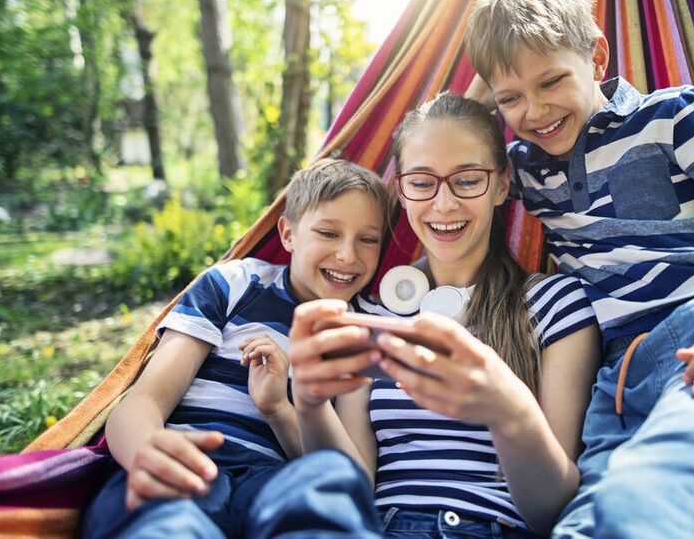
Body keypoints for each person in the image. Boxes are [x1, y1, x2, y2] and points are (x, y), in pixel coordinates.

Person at [460, 0, 694, 538]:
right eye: (512, 98)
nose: (534, 110)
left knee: (646, 511)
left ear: (597, 58)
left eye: (552, 81)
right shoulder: (524, 168)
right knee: (579, 526)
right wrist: (491, 70)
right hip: (615, 382)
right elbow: (452, 133)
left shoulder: (675, 118)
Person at [249, 93, 600, 538]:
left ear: (501, 184)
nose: (444, 203)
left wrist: (509, 411)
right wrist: (312, 406)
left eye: (468, 179)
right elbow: (354, 489)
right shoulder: (370, 314)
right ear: (402, 189)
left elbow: (555, 510)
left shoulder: (555, 305)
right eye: (422, 182)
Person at [80, 158, 390, 539]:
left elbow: (356, 479)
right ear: (288, 234)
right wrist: (147, 453)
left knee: (328, 490)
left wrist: (279, 410)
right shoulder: (236, 283)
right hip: (186, 455)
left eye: (369, 239)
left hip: (277, 480)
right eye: (327, 233)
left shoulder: (365, 330)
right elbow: (144, 400)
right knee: (165, 525)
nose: (348, 255)